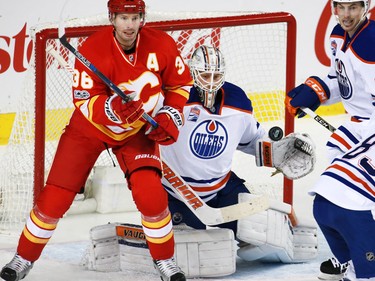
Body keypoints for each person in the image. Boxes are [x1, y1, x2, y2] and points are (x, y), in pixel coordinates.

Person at [0, 1, 192, 281]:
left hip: (136, 131)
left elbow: (179, 84)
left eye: (134, 17)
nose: (128, 24)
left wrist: (171, 114)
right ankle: (23, 257)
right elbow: (83, 101)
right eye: (123, 17)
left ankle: (165, 261)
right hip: (88, 130)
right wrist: (112, 108)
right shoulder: (92, 48)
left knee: (151, 196)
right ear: (112, 18)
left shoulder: (161, 44)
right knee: (55, 197)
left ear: (142, 19)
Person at [160, 45, 317, 269]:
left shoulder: (238, 101)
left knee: (265, 232)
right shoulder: (174, 98)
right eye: (205, 75)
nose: (211, 82)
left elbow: (252, 140)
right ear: (193, 73)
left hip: (222, 188)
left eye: (216, 75)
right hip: (176, 193)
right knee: (195, 256)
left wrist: (277, 152)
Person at [285, 0, 375, 279]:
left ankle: (368, 268)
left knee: (338, 202)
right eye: (341, 7)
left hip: (370, 131)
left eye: (353, 8)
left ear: (367, 6)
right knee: (327, 205)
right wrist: (315, 92)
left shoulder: (371, 43)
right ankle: (348, 257)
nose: (346, 15)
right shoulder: (338, 35)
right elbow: (341, 80)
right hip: (359, 128)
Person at [310, 110, 375, 281]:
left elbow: (338, 140)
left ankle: (351, 266)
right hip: (351, 211)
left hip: (321, 199)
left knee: (357, 264)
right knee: (370, 274)